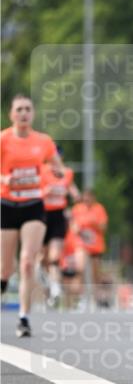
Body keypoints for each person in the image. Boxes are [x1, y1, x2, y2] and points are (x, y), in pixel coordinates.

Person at [1, 95, 63, 336]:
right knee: (5, 268)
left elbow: (56, 165)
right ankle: (4, 283)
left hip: (34, 205)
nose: (24, 113)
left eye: (28, 108)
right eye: (19, 109)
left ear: (33, 113)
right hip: (6, 205)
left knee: (27, 262)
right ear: (11, 114)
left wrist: (56, 172)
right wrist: (5, 179)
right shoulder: (3, 139)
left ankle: (24, 318)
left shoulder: (43, 141)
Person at [41, 149, 80, 306]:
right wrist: (46, 191)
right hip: (42, 215)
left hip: (58, 216)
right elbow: (34, 191)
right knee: (42, 259)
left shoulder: (67, 172)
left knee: (55, 257)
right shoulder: (42, 170)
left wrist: (76, 196)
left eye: (58, 155)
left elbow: (72, 189)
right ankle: (47, 287)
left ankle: (56, 288)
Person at [70, 190, 109, 304]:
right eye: (85, 198)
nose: (87, 200)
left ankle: (97, 296)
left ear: (93, 198)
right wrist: (75, 228)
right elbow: (73, 224)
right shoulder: (77, 209)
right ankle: (79, 297)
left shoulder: (99, 209)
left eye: (89, 198)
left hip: (96, 245)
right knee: (80, 268)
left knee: (95, 273)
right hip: (81, 243)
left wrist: (94, 223)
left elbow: (103, 227)